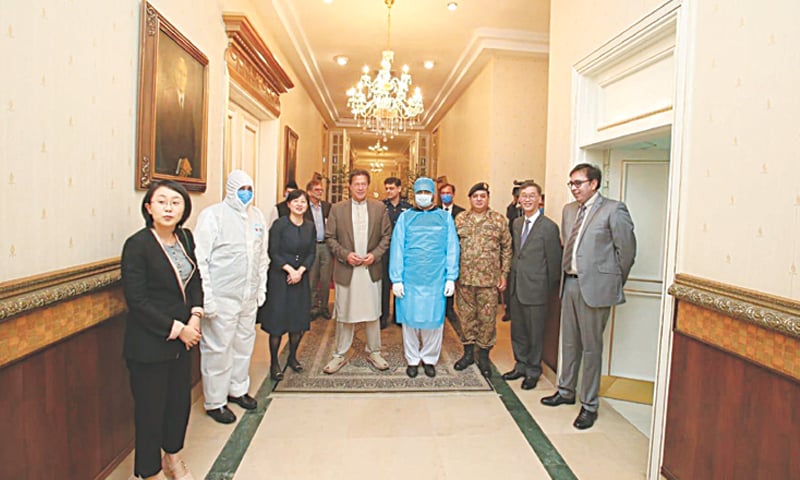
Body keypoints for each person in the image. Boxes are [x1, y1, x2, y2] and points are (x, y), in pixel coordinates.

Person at [540, 163, 636, 430]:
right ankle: (566, 390)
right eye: (571, 184)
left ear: (594, 184)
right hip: (569, 284)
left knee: (591, 347)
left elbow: (626, 252)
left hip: (595, 288)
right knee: (568, 342)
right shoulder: (569, 211)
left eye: (578, 183)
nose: (574, 189)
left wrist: (611, 282)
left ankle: (590, 404)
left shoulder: (614, 210)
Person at [121, 180, 203, 480]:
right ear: (149, 208)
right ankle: (149, 471)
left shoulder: (185, 238)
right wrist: (177, 329)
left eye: (175, 202)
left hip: (183, 343)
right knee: (149, 413)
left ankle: (173, 458)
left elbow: (195, 280)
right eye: (162, 202)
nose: (169, 208)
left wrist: (196, 315)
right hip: (150, 344)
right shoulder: (137, 245)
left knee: (178, 406)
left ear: (184, 208)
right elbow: (137, 301)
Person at [194, 170, 268, 424]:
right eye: (242, 188)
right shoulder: (213, 215)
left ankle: (238, 389)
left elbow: (262, 257)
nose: (247, 192)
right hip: (221, 297)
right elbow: (200, 259)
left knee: (244, 343)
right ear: (230, 189)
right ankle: (215, 401)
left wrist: (261, 289)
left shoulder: (257, 216)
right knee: (218, 347)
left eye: (250, 187)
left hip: (247, 296)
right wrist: (207, 298)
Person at [322, 169, 392, 374]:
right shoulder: (337, 209)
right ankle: (340, 354)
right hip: (347, 269)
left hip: (370, 268)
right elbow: (330, 237)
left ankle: (375, 351)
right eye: (356, 184)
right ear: (349, 186)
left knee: (372, 313)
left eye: (364, 184)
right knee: (345, 313)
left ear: (368, 186)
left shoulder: (379, 208)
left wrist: (375, 255)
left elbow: (386, 236)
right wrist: (345, 255)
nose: (360, 187)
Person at [390, 177, 460, 378]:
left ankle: (429, 358)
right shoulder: (405, 218)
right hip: (410, 278)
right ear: (414, 195)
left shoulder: (445, 218)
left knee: (433, 321)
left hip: (436, 278)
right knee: (410, 322)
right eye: (419, 192)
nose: (423, 196)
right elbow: (397, 248)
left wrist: (450, 277)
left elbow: (451, 248)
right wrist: (396, 279)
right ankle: (412, 359)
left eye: (426, 192)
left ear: (432, 194)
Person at [501, 181, 562, 390]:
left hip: (537, 290)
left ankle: (533, 370)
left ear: (540, 199)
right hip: (517, 287)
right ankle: (520, 364)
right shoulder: (517, 224)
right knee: (518, 330)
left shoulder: (549, 228)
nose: (527, 199)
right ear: (518, 199)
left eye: (531, 195)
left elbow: (554, 264)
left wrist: (545, 289)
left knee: (535, 332)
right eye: (523, 196)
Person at [453, 182, 512, 378]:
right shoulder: (460, 219)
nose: (479, 199)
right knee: (466, 318)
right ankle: (468, 353)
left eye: (483, 196)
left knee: (487, 321)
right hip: (465, 280)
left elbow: (507, 249)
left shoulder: (498, 220)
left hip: (488, 282)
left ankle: (484, 355)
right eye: (475, 196)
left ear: (488, 198)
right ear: (470, 199)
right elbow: (452, 248)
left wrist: (504, 274)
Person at [258, 189, 316, 380]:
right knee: (277, 322)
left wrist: (300, 271)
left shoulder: (309, 226)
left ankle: (292, 357)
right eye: (296, 201)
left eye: (303, 202)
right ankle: (274, 362)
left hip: (300, 279)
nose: (300, 205)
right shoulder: (279, 225)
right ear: (289, 204)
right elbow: (273, 251)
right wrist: (289, 269)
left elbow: (311, 253)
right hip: (280, 279)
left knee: (297, 321)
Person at [155, 57, 198, 177]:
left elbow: (191, 138)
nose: (182, 78)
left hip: (186, 168)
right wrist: (178, 162)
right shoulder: (165, 97)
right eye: (179, 73)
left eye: (184, 75)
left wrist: (187, 161)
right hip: (168, 165)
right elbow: (163, 136)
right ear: (174, 75)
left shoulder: (189, 103)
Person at [380, 176, 412, 328]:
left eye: (391, 188)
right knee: (384, 283)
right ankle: (383, 316)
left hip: (403, 251)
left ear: (399, 189)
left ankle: (399, 316)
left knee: (401, 283)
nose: (388, 191)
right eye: (386, 188)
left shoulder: (408, 207)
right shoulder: (381, 206)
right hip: (385, 250)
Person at [437, 182, 465, 336]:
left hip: (454, 252)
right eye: (443, 193)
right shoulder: (434, 211)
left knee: (451, 280)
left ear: (453, 194)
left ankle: (449, 308)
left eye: (449, 192)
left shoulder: (461, 213)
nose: (446, 195)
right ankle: (440, 307)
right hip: (438, 253)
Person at [305, 179, 333, 319]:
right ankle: (313, 307)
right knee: (312, 279)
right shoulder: (304, 207)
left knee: (326, 279)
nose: (320, 192)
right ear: (309, 192)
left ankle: (324, 307)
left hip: (326, 246)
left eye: (321, 190)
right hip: (311, 247)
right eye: (317, 190)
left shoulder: (328, 207)